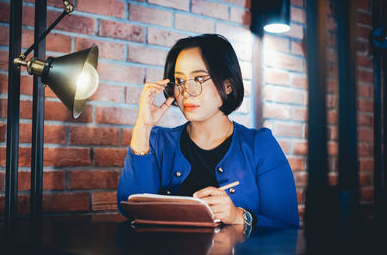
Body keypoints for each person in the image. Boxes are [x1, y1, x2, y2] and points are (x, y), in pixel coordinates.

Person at [117, 34, 299, 229]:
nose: (186, 90)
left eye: (198, 78)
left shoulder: (260, 145)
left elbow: (288, 228)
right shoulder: (158, 142)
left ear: (228, 86)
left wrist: (239, 216)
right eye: (179, 80)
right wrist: (143, 126)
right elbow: (128, 207)